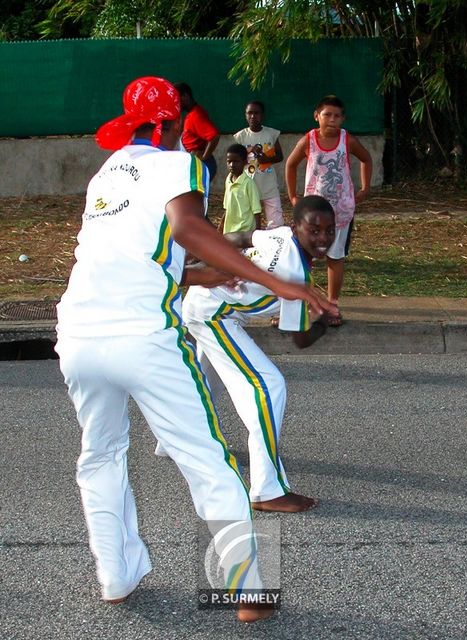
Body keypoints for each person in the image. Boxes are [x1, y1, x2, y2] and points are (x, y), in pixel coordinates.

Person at [55, 76, 333, 623]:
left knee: (102, 455)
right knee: (208, 459)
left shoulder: (103, 174)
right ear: (171, 123)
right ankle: (248, 593)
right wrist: (277, 283)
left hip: (79, 336)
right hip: (141, 338)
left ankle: (115, 577)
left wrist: (205, 275)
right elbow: (186, 227)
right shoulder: (177, 163)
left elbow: (140, 255)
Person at [182, 195, 336, 514]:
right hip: (213, 314)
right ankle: (267, 490)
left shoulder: (280, 234)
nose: (322, 238)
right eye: (315, 230)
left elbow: (242, 236)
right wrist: (328, 323)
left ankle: (177, 440)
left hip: (208, 302)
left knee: (199, 382)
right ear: (298, 228)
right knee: (268, 386)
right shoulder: (295, 274)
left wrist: (202, 259)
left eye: (329, 231)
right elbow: (300, 339)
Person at [285, 95, 373, 326]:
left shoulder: (347, 141)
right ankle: (301, 305)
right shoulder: (308, 140)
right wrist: (293, 195)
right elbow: (291, 164)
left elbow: (366, 158)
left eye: (337, 116)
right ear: (317, 116)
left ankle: (332, 305)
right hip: (312, 213)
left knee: (335, 257)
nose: (332, 120)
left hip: (340, 213)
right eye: (327, 115)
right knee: (303, 257)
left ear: (343, 119)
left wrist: (364, 188)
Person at [234, 101, 284, 229]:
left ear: (262, 115)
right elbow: (235, 158)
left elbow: (280, 156)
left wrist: (267, 158)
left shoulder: (271, 134)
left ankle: (273, 244)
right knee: (249, 223)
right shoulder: (241, 136)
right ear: (245, 115)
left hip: (268, 184)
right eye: (249, 113)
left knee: (276, 222)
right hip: (248, 185)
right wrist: (249, 150)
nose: (252, 116)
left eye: (256, 113)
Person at [174, 82, 220, 182]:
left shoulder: (196, 115)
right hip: (195, 162)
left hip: (201, 164)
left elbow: (214, 136)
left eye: (177, 100)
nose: (176, 104)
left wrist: (204, 157)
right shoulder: (191, 114)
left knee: (197, 196)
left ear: (185, 96)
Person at [218, 143, 262, 234]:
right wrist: (221, 227)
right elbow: (227, 207)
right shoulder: (228, 180)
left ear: (245, 162)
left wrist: (257, 234)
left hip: (245, 231)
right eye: (229, 161)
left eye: (236, 161)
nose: (232, 165)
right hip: (229, 231)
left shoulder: (248, 183)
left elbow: (257, 211)